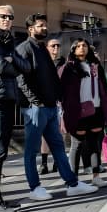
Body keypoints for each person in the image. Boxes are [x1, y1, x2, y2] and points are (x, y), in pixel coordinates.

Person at [16, 13, 98, 200]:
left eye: (45, 24)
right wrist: (36, 101)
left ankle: (72, 184)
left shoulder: (43, 50)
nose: (45, 28)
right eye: (40, 25)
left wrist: (58, 98)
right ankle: (34, 188)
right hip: (35, 108)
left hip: (51, 107)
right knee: (31, 150)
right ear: (30, 29)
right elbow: (21, 79)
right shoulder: (24, 49)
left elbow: (52, 77)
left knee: (58, 147)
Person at [60, 38, 107, 187]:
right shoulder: (69, 67)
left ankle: (96, 176)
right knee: (77, 144)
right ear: (73, 50)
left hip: (96, 109)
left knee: (95, 143)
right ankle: (73, 180)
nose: (82, 48)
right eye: (79, 46)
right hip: (78, 111)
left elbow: (104, 87)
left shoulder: (95, 65)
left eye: (85, 46)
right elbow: (64, 91)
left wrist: (105, 108)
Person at [0, 5, 31, 212]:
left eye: (10, 17)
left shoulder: (9, 42)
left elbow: (26, 67)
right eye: (3, 16)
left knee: (1, 152)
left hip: (9, 99)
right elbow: (3, 67)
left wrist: (13, 61)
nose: (7, 19)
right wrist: (12, 62)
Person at [38, 38, 65, 175]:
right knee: (45, 134)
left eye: (58, 45)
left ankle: (57, 162)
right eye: (53, 45)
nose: (56, 48)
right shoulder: (42, 62)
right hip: (46, 102)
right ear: (47, 47)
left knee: (59, 133)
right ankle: (43, 163)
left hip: (60, 103)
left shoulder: (63, 63)